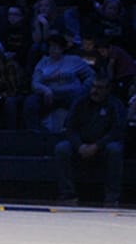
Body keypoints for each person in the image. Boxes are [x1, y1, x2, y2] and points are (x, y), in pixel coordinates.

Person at [54, 77, 125, 207]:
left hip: (103, 146)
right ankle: (67, 194)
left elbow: (117, 131)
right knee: (62, 148)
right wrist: (79, 145)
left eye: (99, 88)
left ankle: (112, 196)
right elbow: (70, 127)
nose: (95, 91)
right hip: (81, 144)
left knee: (115, 149)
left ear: (108, 90)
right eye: (93, 87)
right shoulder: (80, 102)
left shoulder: (115, 105)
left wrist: (97, 146)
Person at [25, 35, 93, 132]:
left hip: (71, 93)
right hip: (49, 95)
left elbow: (91, 75)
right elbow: (35, 82)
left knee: (79, 101)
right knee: (30, 102)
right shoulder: (43, 62)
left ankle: (69, 129)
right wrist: (45, 90)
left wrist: (83, 88)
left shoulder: (73, 60)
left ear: (62, 48)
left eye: (56, 47)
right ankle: (36, 132)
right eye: (51, 47)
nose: (53, 50)